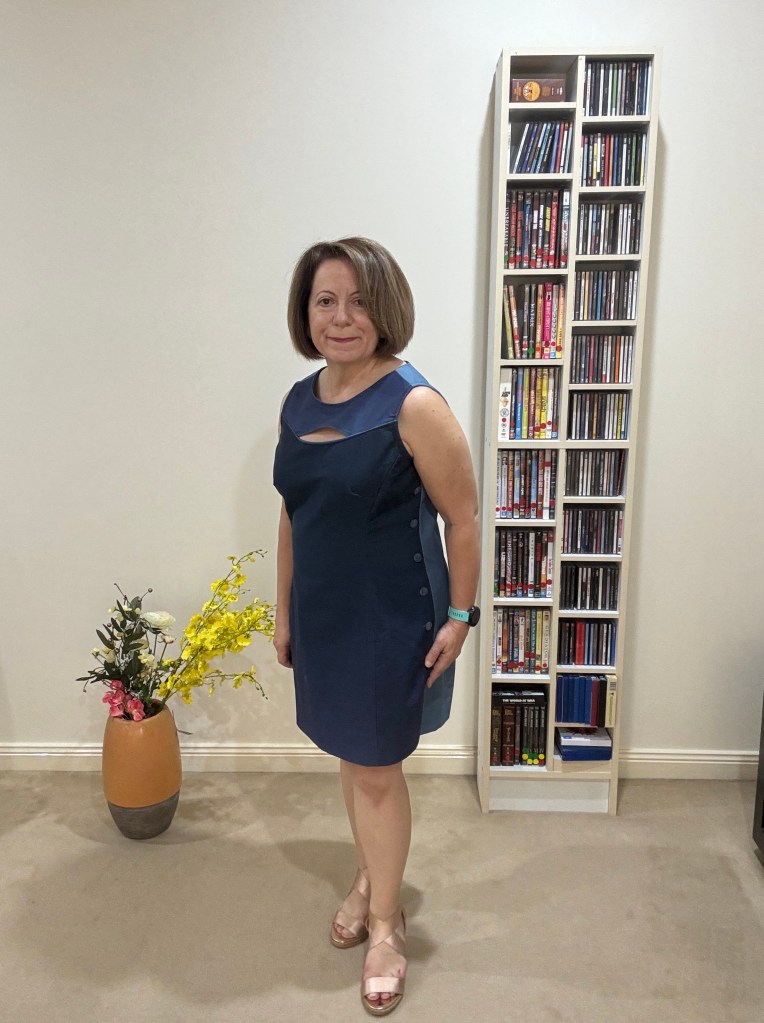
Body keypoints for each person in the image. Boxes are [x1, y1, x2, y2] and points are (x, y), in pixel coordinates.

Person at [272, 237, 480, 1016]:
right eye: (325, 300)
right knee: (351, 753)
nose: (342, 317)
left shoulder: (413, 404)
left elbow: (464, 519)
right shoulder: (299, 401)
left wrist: (461, 617)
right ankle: (370, 874)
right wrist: (285, 608)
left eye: (359, 301)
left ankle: (387, 924)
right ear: (306, 313)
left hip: (391, 619)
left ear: (385, 308)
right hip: (324, 615)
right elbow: (294, 511)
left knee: (375, 769)